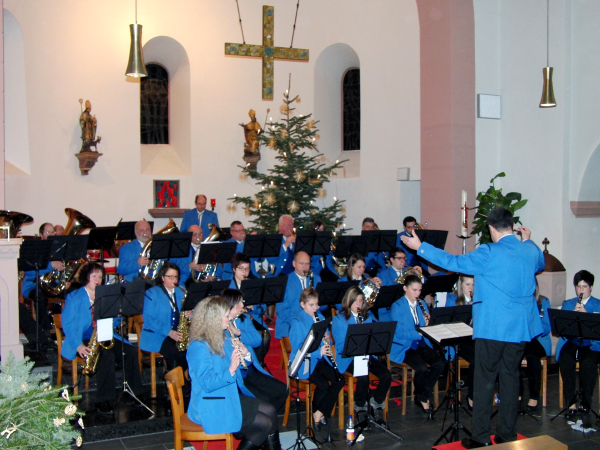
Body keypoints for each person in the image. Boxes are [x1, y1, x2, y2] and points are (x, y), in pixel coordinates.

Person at [401, 206, 544, 448]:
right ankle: (507, 435)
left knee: (485, 379)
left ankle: (479, 437)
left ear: (490, 228)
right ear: (512, 226)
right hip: (520, 328)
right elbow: (537, 264)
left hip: (493, 328)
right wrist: (527, 240)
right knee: (510, 378)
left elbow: (453, 262)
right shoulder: (530, 250)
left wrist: (420, 248)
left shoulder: (489, 252)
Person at [186, 296, 281, 450]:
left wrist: (245, 355)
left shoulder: (221, 337)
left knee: (270, 410)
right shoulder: (199, 346)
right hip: (210, 404)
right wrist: (230, 369)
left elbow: (243, 368)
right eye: (226, 316)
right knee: (264, 423)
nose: (229, 320)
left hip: (227, 395)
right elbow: (207, 383)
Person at [61, 262, 142, 414]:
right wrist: (78, 345)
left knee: (129, 351)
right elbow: (68, 324)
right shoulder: (74, 297)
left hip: (104, 334)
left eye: (100, 276)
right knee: (106, 355)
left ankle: (134, 392)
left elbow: (114, 321)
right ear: (86, 278)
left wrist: (119, 313)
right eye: (94, 276)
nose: (98, 280)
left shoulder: (105, 294)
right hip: (82, 336)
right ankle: (104, 399)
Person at [331, 286, 392, 425]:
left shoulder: (367, 317)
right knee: (363, 376)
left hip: (366, 355)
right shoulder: (339, 319)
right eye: (356, 301)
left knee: (386, 375)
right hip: (348, 358)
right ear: (348, 302)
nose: (359, 304)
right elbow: (340, 346)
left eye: (361, 301)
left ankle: (376, 403)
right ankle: (360, 408)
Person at [221, 288, 287, 412]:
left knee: (282, 390)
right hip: (238, 374)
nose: (243, 305)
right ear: (230, 304)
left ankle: (267, 422)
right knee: (263, 401)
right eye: (239, 302)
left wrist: (238, 332)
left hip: (251, 368)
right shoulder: (220, 324)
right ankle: (262, 421)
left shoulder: (244, 318)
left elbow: (257, 340)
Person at [289, 288, 345, 430]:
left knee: (339, 380)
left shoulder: (319, 316)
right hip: (305, 363)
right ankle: (317, 414)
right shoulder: (297, 322)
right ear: (302, 304)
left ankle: (319, 413)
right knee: (323, 385)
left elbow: (326, 341)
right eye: (311, 305)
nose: (316, 308)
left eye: (317, 304)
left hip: (320, 360)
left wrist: (328, 340)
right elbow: (297, 350)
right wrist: (318, 353)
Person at [389, 274, 445, 415]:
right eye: (414, 290)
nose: (418, 293)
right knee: (421, 368)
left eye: (419, 290)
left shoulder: (422, 304)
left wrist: (429, 323)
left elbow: (426, 326)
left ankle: (422, 394)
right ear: (405, 289)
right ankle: (422, 397)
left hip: (421, 343)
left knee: (440, 363)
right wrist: (420, 332)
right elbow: (400, 332)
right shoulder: (397, 306)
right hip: (405, 345)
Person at [555, 270, 600, 415]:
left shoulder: (597, 305)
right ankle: (571, 401)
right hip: (573, 340)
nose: (581, 290)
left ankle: (586, 401)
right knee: (566, 359)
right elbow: (563, 331)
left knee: (588, 362)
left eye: (584, 286)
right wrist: (572, 316)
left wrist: (586, 316)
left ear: (591, 287)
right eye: (578, 287)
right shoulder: (568, 304)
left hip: (592, 342)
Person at [140, 262, 190, 373]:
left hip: (177, 334)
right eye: (170, 277)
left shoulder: (181, 292)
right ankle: (174, 381)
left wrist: (190, 314)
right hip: (157, 335)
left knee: (193, 348)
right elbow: (148, 320)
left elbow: (187, 311)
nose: (174, 280)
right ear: (162, 278)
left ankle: (184, 380)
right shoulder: (151, 293)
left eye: (176, 277)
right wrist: (169, 332)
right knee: (176, 351)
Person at [21, 223, 64, 332]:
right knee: (40, 297)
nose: (51, 234)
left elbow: (61, 271)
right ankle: (45, 331)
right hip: (33, 284)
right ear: (41, 235)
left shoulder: (59, 249)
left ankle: (67, 327)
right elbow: (30, 270)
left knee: (74, 293)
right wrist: (51, 265)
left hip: (53, 285)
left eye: (53, 232)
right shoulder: (34, 248)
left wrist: (64, 281)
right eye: (48, 232)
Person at [229, 253, 270, 364]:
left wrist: (253, 306)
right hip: (236, 321)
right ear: (234, 269)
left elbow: (263, 308)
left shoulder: (254, 283)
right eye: (241, 269)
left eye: (247, 269)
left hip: (253, 319)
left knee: (265, 336)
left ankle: (257, 362)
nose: (244, 272)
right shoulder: (228, 286)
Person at [275, 251, 322, 339]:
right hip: (290, 325)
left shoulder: (316, 278)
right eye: (301, 263)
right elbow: (281, 310)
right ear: (294, 264)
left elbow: (323, 305)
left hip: (312, 322)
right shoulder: (284, 281)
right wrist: (301, 322)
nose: (305, 267)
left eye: (307, 264)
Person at [446, 274, 476, 410]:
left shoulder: (479, 300)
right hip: (460, 341)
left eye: (473, 285)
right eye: (468, 284)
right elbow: (449, 324)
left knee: (488, 356)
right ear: (461, 286)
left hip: (475, 339)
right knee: (476, 360)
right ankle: (472, 396)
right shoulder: (453, 300)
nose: (471, 288)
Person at [519, 285, 551, 412]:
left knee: (533, 356)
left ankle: (534, 396)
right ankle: (517, 394)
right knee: (514, 356)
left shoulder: (543, 302)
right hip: (522, 339)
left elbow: (547, 327)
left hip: (539, 340)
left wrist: (534, 326)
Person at [377, 247, 423, 321]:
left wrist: (419, 275)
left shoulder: (410, 272)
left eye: (404, 258)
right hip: (389, 311)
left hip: (408, 309)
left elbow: (421, 287)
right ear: (392, 259)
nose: (403, 261)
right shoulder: (383, 275)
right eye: (399, 258)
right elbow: (381, 297)